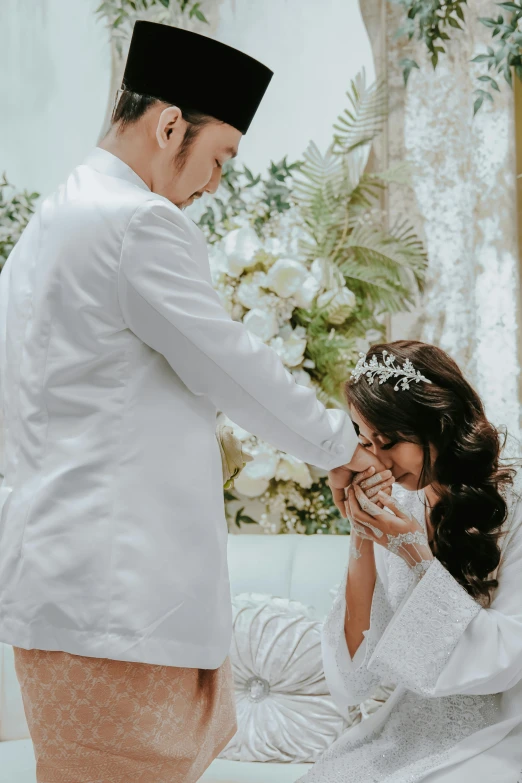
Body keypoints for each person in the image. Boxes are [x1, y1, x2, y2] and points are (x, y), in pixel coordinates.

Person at [0, 21, 378, 783]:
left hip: (64, 589)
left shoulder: (54, 217)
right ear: (170, 123)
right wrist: (343, 446)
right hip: (118, 603)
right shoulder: (136, 223)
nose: (212, 185)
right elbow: (232, 368)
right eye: (218, 159)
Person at [299, 340, 522, 783]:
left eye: (391, 442)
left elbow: (507, 654)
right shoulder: (399, 500)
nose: (377, 460)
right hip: (408, 726)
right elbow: (354, 679)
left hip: (506, 725)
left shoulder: (514, 501)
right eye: (365, 441)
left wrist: (413, 553)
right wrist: (360, 530)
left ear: (439, 426)